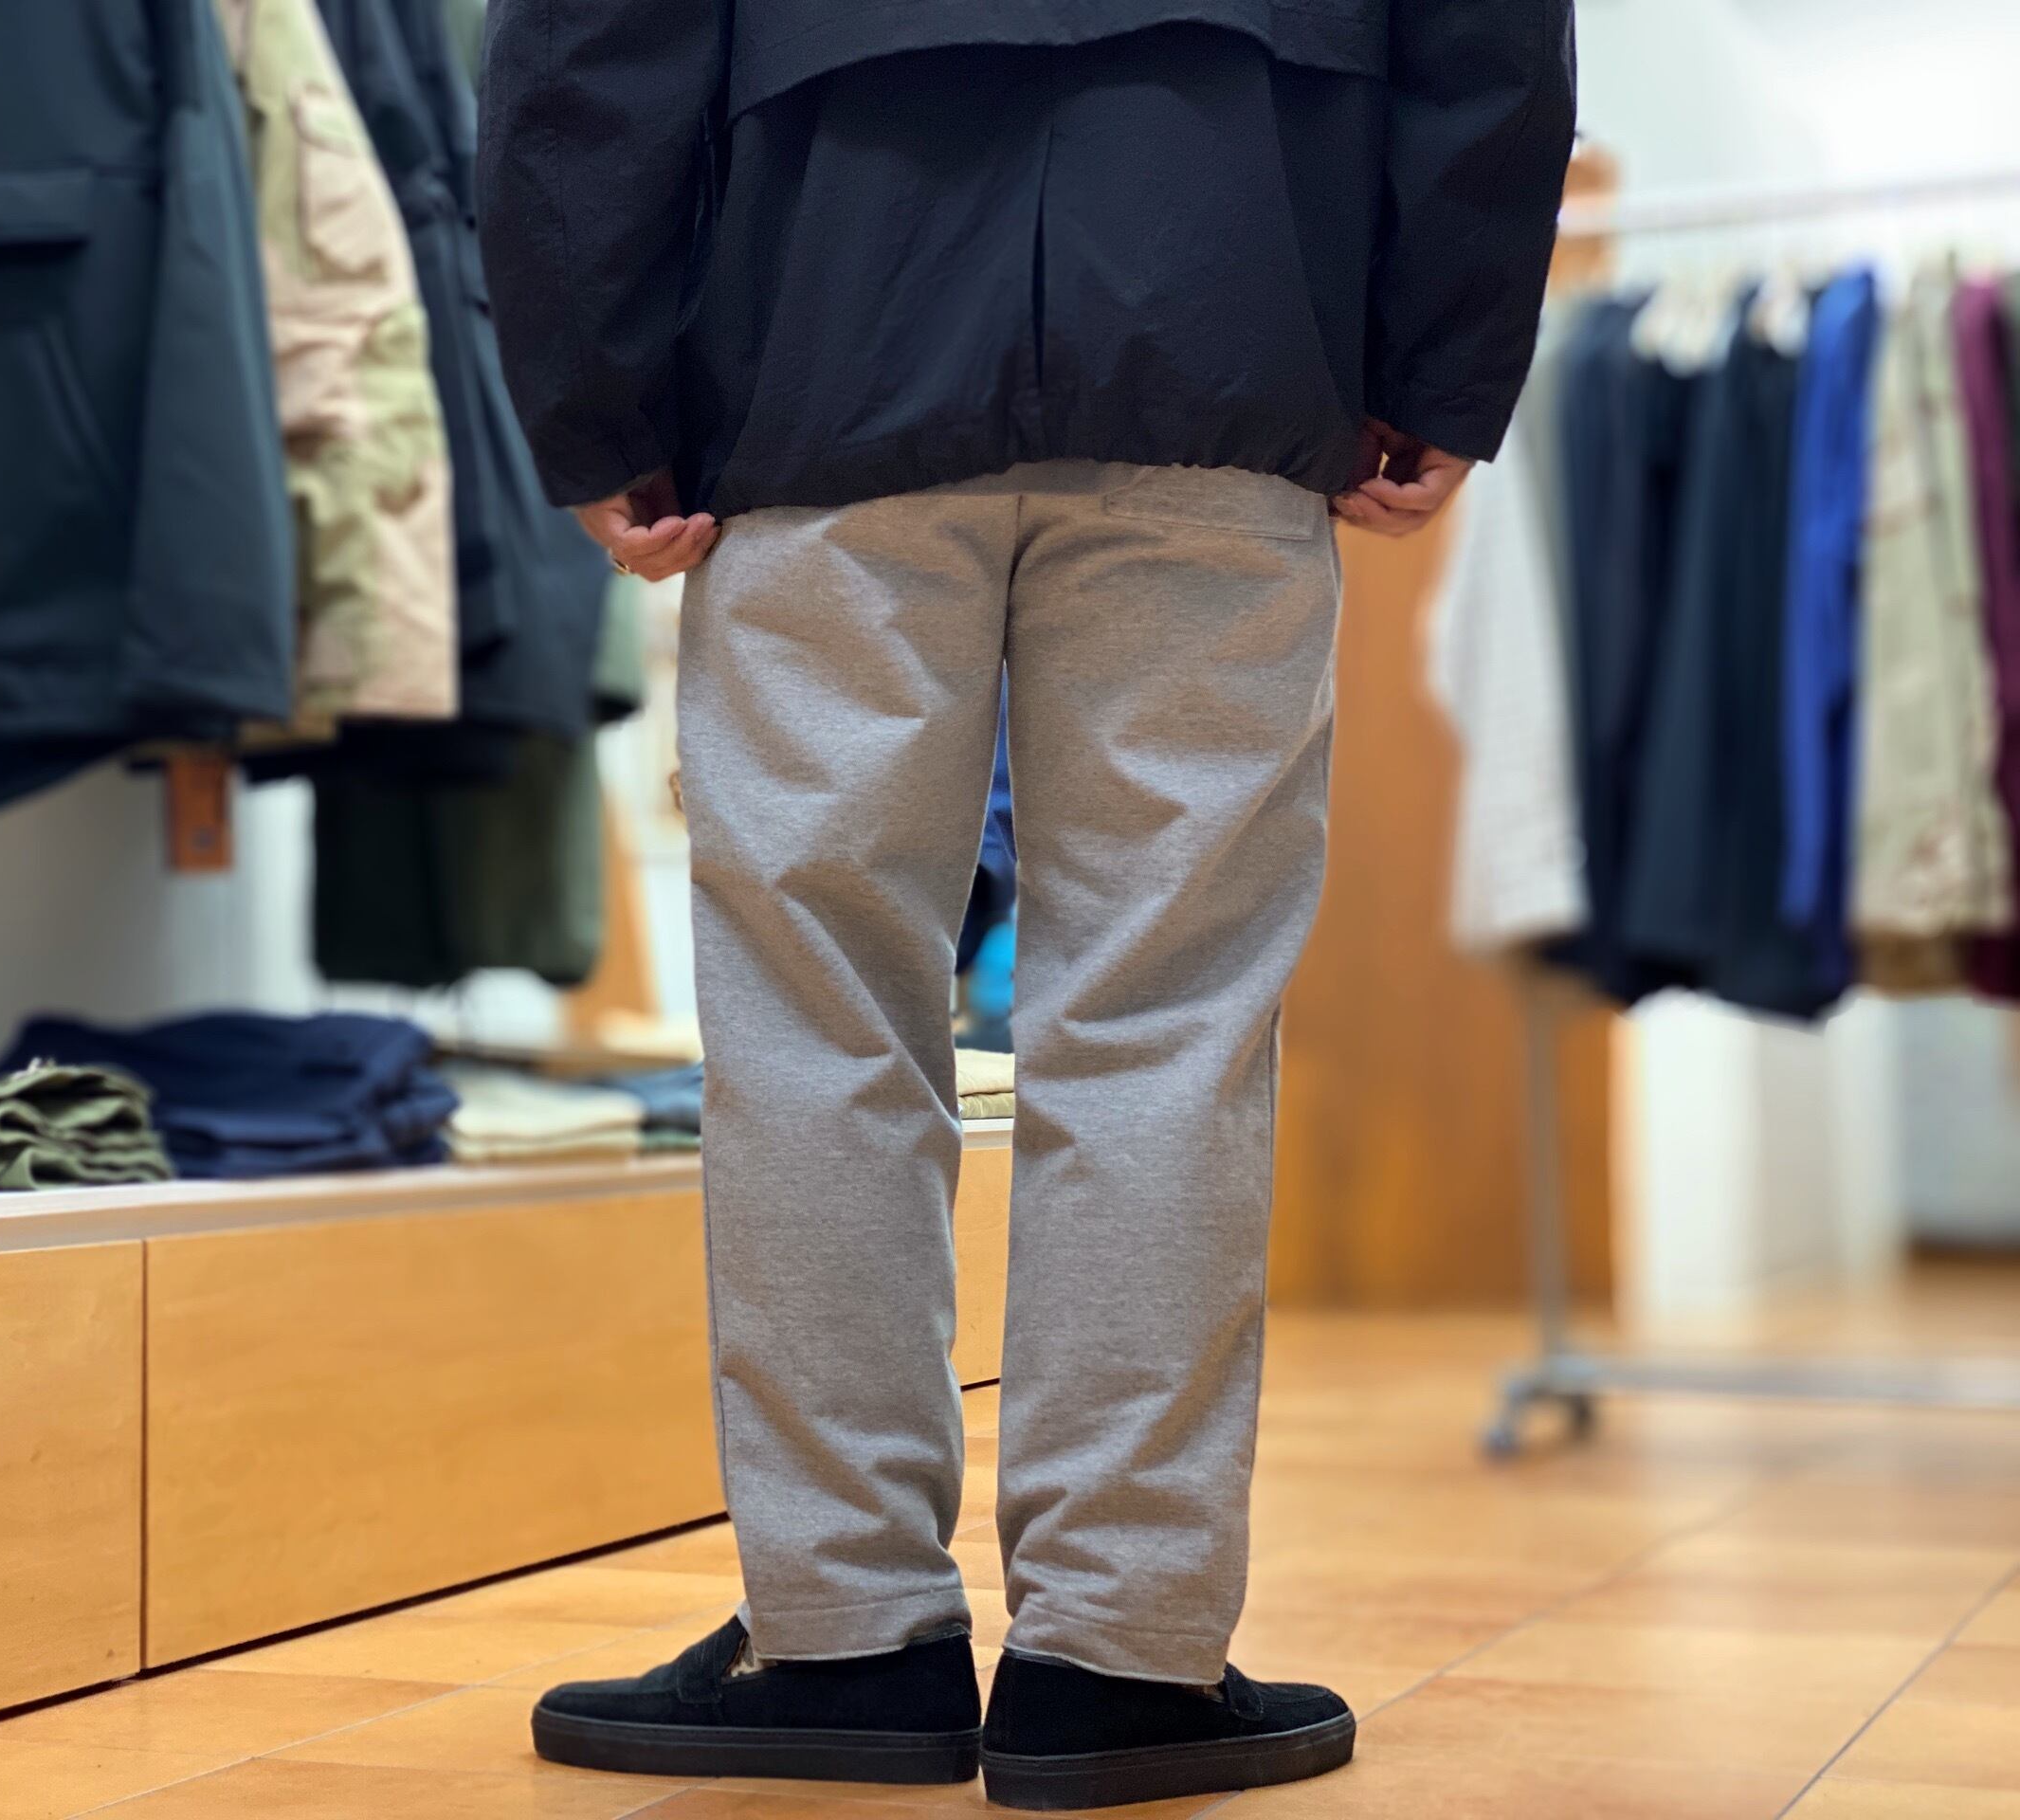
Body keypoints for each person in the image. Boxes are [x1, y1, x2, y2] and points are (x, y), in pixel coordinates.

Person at [477, 4, 1574, 1809]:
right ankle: (1122, 1655)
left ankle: (844, 1640)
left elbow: (593, 43)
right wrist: (1441, 357)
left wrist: (596, 392)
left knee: (816, 1009)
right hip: (1227, 312)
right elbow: (1488, 31)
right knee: (1167, 1009)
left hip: (828, 326)